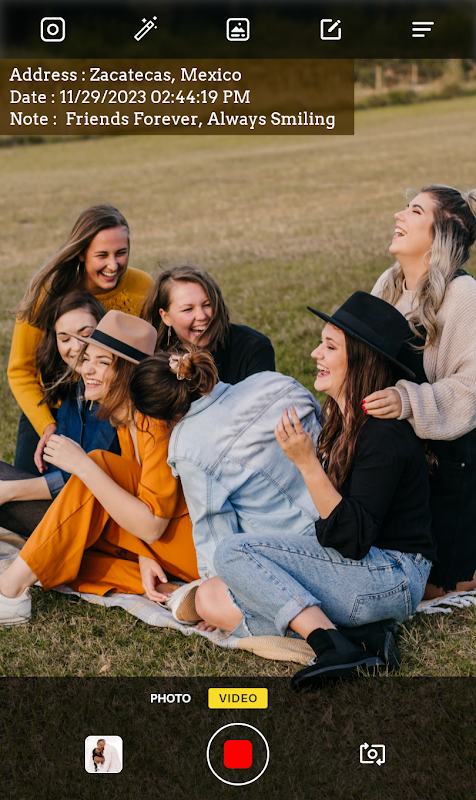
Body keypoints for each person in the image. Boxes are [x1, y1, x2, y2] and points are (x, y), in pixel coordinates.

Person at [189, 293, 437, 688]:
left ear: (362, 360)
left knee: (233, 553)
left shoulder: (383, 435)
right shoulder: (342, 421)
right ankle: (362, 637)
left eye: (330, 346)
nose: (314, 353)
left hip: (392, 576)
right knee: (210, 596)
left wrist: (306, 463)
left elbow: (351, 539)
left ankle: (330, 645)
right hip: (362, 572)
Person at [0, 311, 198, 628]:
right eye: (87, 358)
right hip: (160, 545)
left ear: (129, 373)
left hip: (193, 546)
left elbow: (152, 526)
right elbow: (139, 499)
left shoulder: (156, 423)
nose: (86, 369)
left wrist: (82, 465)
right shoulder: (125, 421)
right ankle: (172, 592)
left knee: (96, 465)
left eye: (103, 362)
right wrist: (144, 556)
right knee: (66, 553)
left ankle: (9, 590)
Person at [364, 185, 476, 596]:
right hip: (393, 448)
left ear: (444, 231)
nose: (399, 215)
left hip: (448, 462)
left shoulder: (464, 295)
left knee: (436, 586)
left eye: (414, 211)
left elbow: (470, 389)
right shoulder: (389, 284)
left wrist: (407, 400)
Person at [129, 348, 322, 583]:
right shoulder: (272, 380)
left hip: (297, 555)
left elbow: (216, 539)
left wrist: (213, 589)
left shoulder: (188, 446)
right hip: (343, 511)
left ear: (158, 416)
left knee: (206, 596)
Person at [8, 204, 153, 476]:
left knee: (97, 481)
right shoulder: (48, 292)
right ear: (81, 253)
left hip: (111, 408)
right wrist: (46, 426)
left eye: (121, 253)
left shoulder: (142, 287)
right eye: (102, 255)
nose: (113, 265)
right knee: (26, 485)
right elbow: (20, 372)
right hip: (52, 406)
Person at [0, 292, 120, 537]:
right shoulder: (74, 388)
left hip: (97, 522)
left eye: (86, 335)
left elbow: (84, 476)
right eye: (65, 338)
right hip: (67, 503)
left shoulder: (112, 395)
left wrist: (9, 491)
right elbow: (61, 468)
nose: (76, 347)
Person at [142, 264, 275, 384]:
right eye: (188, 309)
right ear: (166, 317)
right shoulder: (154, 360)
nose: (202, 316)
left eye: (207, 304)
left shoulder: (253, 348)